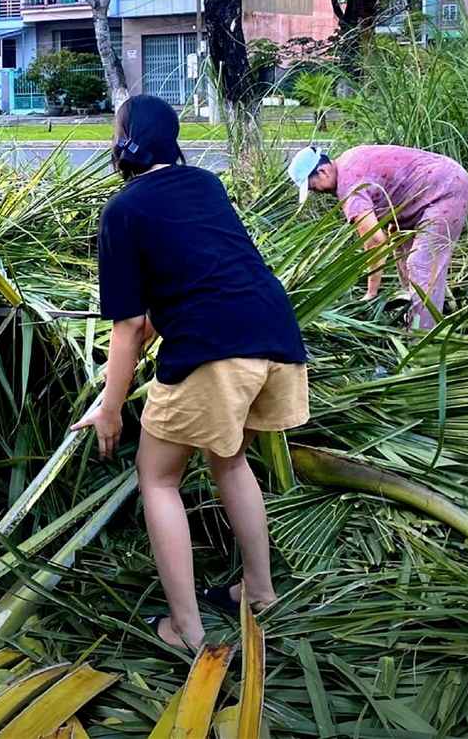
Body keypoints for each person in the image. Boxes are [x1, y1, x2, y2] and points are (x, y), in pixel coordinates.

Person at [71, 95, 309, 650]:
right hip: (275, 335)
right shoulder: (204, 184)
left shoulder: (123, 210)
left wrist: (110, 409)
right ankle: (259, 590)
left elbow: (129, 328)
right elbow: (186, 286)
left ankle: (185, 628)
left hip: (216, 351)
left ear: (123, 142)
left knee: (157, 477)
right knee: (229, 461)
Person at [288, 144, 468, 328]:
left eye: (313, 187)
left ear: (323, 171)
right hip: (439, 181)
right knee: (399, 241)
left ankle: (422, 337)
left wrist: (371, 293)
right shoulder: (348, 159)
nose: (318, 192)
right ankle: (415, 308)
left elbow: (375, 240)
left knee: (421, 263)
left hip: (446, 190)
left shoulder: (350, 187)